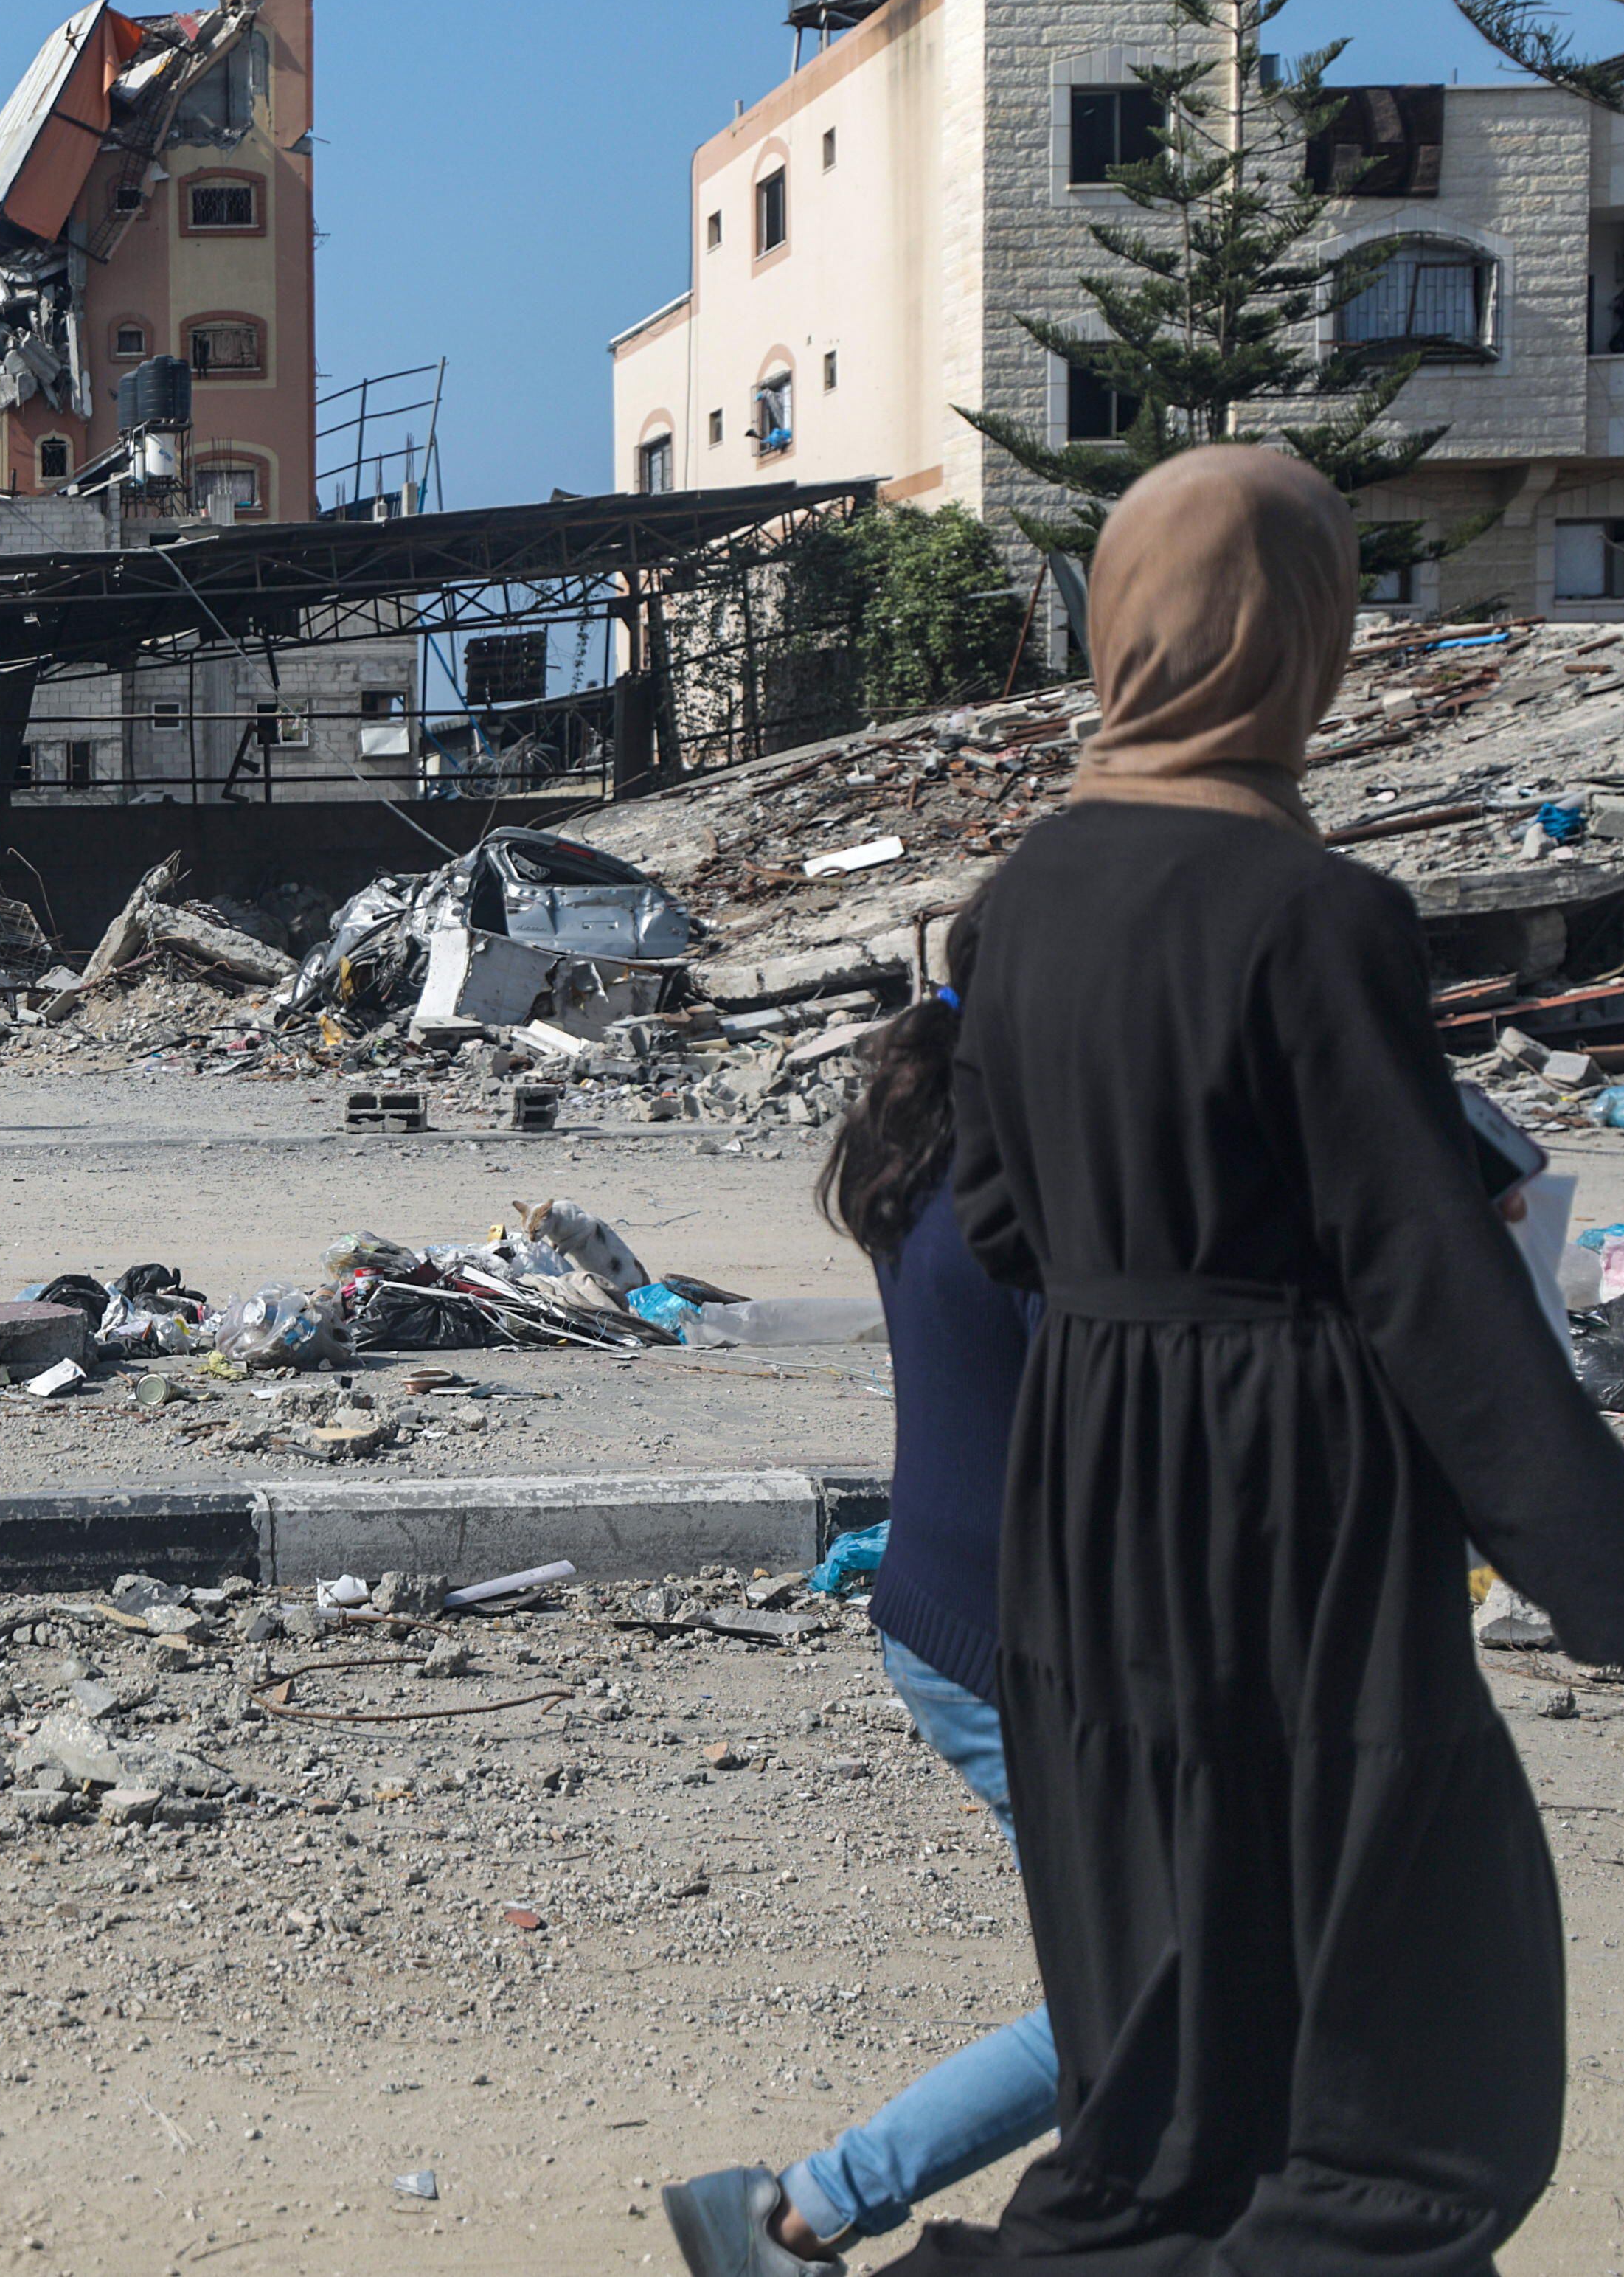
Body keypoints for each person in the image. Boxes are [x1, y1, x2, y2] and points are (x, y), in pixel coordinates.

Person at [884, 446, 1624, 2272]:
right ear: (1292, 640)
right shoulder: (1321, 916)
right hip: (1285, 1517)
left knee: (1172, 2075)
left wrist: (1143, 1274)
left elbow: (994, 1219)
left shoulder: (1027, 898)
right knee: (1408, 2069)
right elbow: (1426, 1289)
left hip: (1087, 1512)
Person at [662, 914, 1059, 2272]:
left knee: (1163, 1984)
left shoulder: (939, 1151)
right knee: (1145, 1995)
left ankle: (795, 2212)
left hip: (950, 1613)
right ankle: (797, 2213)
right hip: (1013, 1641)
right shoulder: (1028, 1194)